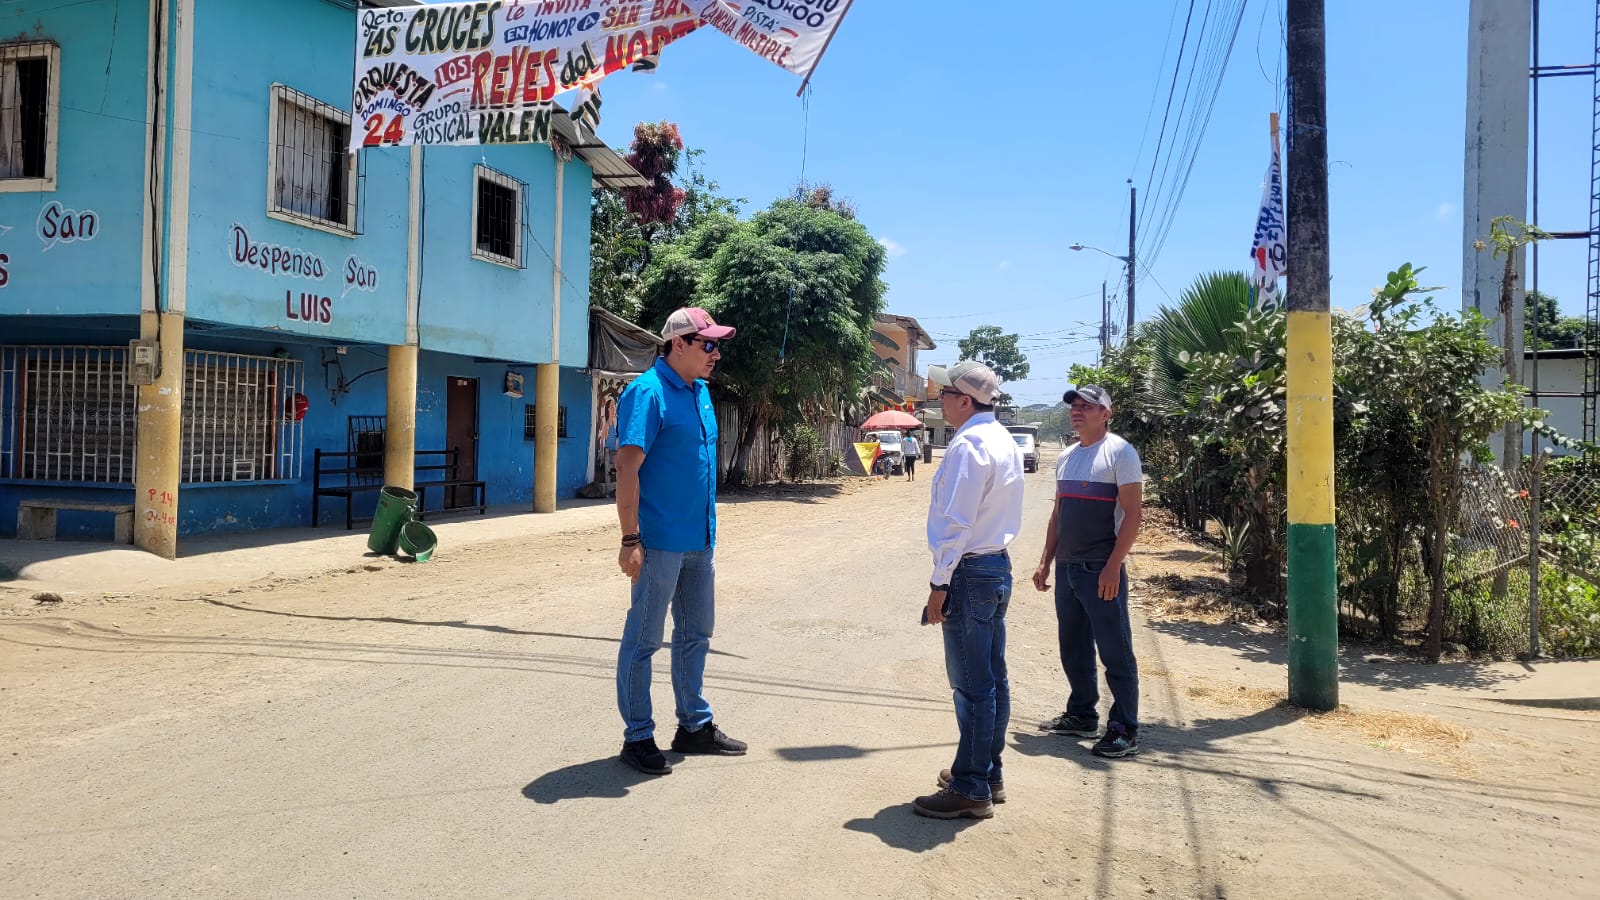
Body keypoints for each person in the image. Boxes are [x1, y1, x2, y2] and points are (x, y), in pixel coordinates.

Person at [612, 307, 748, 776]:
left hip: (699, 541)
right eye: (708, 344)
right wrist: (630, 538)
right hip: (659, 542)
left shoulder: (700, 392)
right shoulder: (648, 393)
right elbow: (626, 467)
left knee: (696, 634)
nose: (715, 354)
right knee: (644, 640)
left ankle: (693, 725)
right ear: (678, 344)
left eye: (718, 345)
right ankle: (637, 736)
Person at [914, 361, 1026, 820]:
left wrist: (939, 583)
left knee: (972, 686)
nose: (939, 399)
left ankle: (971, 787)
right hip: (995, 566)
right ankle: (986, 774)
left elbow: (957, 522)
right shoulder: (1002, 439)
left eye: (945, 393)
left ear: (964, 400)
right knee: (992, 680)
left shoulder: (968, 446)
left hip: (969, 570)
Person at [1033, 385, 1144, 759]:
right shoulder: (1067, 455)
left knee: (1116, 651)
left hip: (1100, 568)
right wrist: (1046, 560)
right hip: (1068, 568)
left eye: (1087, 406)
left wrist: (1113, 565)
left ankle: (1124, 729)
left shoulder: (1120, 453)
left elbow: (1133, 514)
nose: (1077, 411)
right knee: (1074, 647)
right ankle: (1082, 714)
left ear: (1106, 414)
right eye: (1074, 405)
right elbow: (1058, 514)